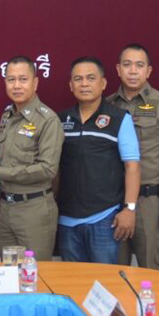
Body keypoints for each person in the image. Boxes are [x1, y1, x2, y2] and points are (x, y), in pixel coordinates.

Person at [105, 44, 159, 269]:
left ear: (148, 71)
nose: (133, 71)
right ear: (118, 69)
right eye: (127, 65)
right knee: (113, 270)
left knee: (152, 272)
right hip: (114, 199)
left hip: (150, 202)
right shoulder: (107, 105)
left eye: (139, 65)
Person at [0, 56, 63, 261]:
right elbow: (10, 156)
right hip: (7, 208)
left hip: (34, 209)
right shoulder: (8, 115)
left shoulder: (48, 120)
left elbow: (47, 169)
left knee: (35, 273)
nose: (16, 85)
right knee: (9, 272)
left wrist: (0, 173)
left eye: (23, 79)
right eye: (11, 80)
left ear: (35, 82)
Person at [55, 57, 140, 264]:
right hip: (67, 219)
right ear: (71, 85)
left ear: (103, 83)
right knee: (72, 281)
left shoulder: (120, 118)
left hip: (104, 218)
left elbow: (132, 167)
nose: (84, 84)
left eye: (90, 78)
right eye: (78, 79)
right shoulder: (60, 120)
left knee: (104, 282)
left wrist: (129, 209)